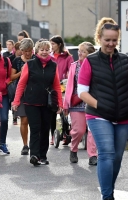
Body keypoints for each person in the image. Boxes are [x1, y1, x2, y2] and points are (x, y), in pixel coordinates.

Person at [78, 17, 128, 200]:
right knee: (106, 153)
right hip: (98, 115)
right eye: (107, 39)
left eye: (114, 40)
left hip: (123, 117)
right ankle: (107, 197)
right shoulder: (90, 61)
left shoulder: (125, 60)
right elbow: (82, 92)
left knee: (116, 158)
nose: (111, 43)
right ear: (99, 38)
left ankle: (109, 190)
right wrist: (101, 104)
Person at [12, 39, 62, 166]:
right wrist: (16, 101)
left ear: (50, 51)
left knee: (45, 129)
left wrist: (60, 104)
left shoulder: (54, 65)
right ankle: (34, 155)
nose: (44, 52)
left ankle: (43, 155)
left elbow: (56, 86)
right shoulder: (30, 65)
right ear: (37, 51)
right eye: (42, 50)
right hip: (31, 102)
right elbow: (21, 84)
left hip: (47, 103)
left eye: (47, 50)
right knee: (35, 128)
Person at [63, 42, 97, 165]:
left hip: (93, 102)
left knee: (93, 130)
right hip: (77, 102)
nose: (79, 53)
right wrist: (66, 103)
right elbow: (69, 87)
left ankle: (93, 155)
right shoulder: (74, 66)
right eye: (79, 50)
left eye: (83, 51)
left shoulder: (96, 66)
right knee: (79, 130)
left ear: (90, 54)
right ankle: (73, 149)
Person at [11, 38, 34, 155]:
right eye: (25, 51)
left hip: (35, 92)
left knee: (34, 121)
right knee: (24, 120)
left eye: (30, 50)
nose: (28, 53)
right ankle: (25, 145)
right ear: (21, 50)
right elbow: (11, 77)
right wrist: (22, 71)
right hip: (21, 93)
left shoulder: (36, 60)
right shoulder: (17, 60)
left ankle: (35, 144)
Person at [49, 35, 74, 145]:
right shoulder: (49, 56)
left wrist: (67, 80)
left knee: (64, 112)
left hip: (63, 87)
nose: (51, 46)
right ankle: (53, 136)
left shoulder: (67, 57)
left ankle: (66, 133)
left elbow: (72, 71)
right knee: (52, 113)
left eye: (53, 44)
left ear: (59, 45)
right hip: (51, 88)